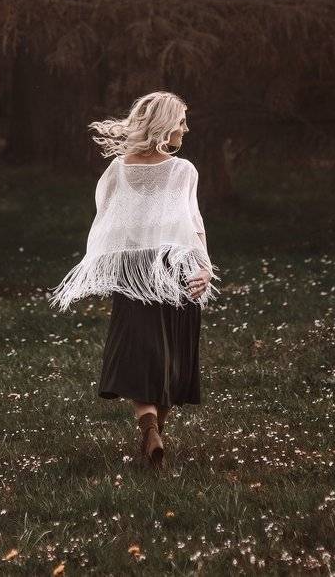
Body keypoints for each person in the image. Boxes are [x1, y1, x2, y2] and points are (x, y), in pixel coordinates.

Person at [48, 91, 219, 469]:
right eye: (181, 121)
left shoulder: (118, 169)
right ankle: (155, 431)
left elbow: (107, 219)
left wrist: (111, 263)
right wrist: (204, 267)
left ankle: (149, 428)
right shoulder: (182, 170)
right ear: (164, 125)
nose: (186, 129)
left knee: (140, 353)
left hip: (133, 274)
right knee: (173, 353)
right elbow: (195, 225)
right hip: (176, 270)